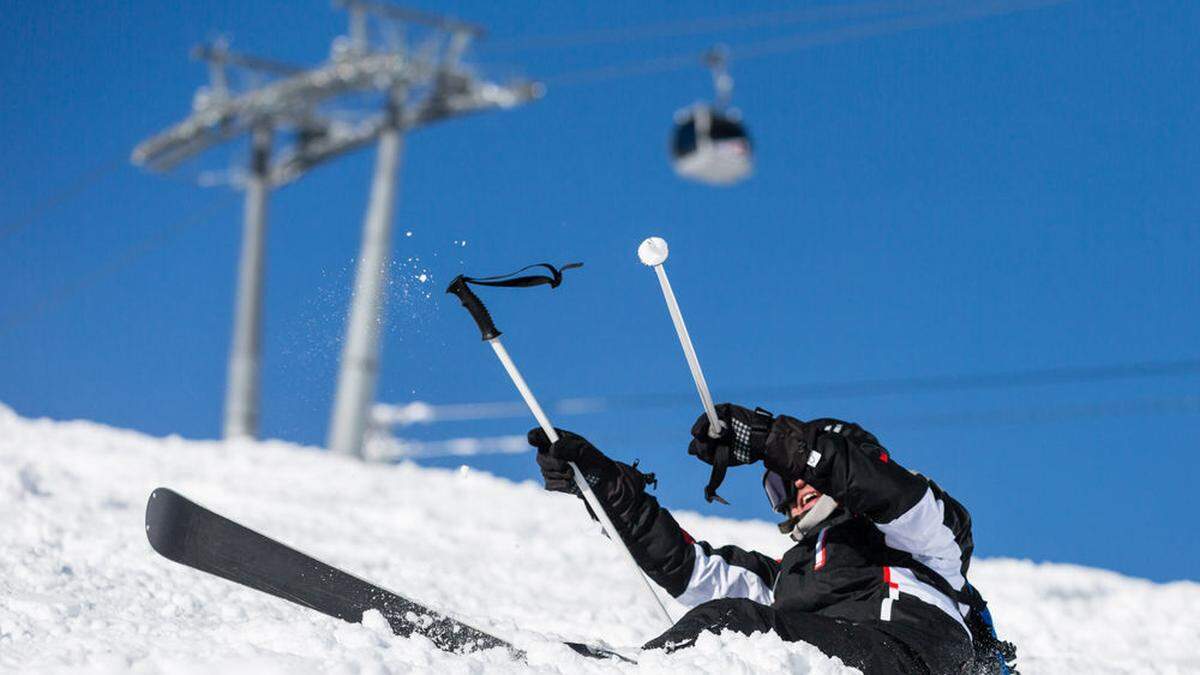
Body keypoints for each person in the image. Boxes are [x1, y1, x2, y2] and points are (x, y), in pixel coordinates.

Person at [528, 403, 1015, 674]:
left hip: (912, 658)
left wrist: (771, 441)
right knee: (730, 627)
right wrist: (606, 488)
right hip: (820, 658)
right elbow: (690, 569)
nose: (794, 494)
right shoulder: (786, 579)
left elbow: (885, 491)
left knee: (733, 624)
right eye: (779, 486)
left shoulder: (922, 537)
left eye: (800, 476)